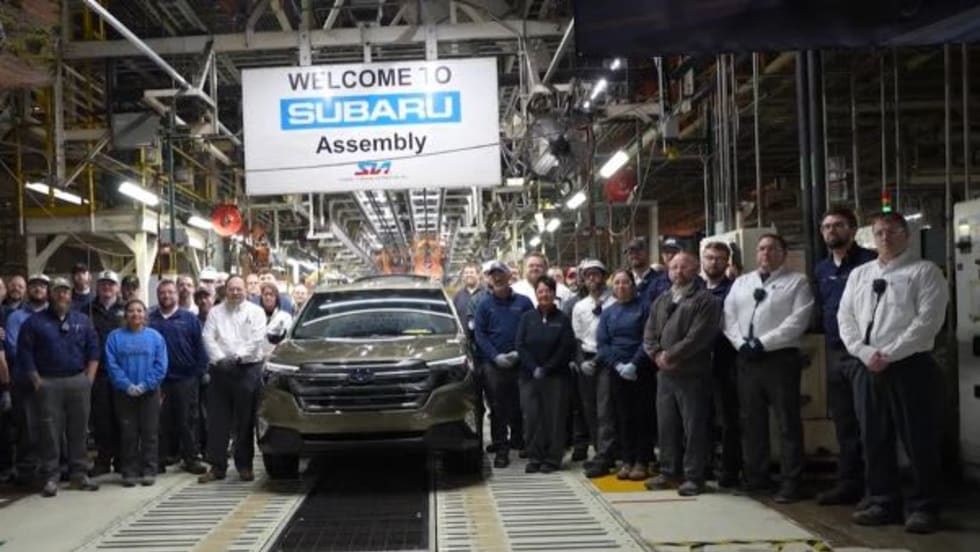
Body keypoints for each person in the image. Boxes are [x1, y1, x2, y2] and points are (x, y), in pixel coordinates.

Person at [838, 212, 948, 534]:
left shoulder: (925, 272)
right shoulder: (859, 274)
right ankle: (883, 501)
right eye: (879, 232)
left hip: (910, 366)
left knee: (917, 438)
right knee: (873, 437)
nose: (885, 237)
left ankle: (924, 507)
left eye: (892, 231)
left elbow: (928, 321)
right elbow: (846, 319)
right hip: (867, 366)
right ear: (871, 237)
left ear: (907, 235)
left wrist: (890, 353)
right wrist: (864, 352)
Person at [723, 234, 814, 503]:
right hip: (747, 360)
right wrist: (741, 344)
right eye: (762, 248)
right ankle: (756, 477)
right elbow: (728, 317)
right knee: (752, 422)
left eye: (773, 248)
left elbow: (798, 321)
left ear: (784, 253)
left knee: (787, 422)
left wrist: (763, 342)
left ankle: (791, 481)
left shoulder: (797, 282)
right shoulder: (741, 283)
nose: (766, 253)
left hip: (780, 359)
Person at [813, 206, 877, 506]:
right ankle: (848, 484)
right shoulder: (822, 269)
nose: (831, 231)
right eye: (826, 227)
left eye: (838, 226)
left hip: (864, 353)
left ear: (852, 230)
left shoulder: (871, 263)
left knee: (871, 423)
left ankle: (875, 489)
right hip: (835, 351)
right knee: (844, 423)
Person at [644, 252, 721, 495]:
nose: (678, 271)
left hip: (692, 374)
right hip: (665, 376)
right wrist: (656, 354)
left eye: (684, 266)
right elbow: (649, 332)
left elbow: (699, 336)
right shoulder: (662, 300)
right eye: (674, 266)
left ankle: (694, 476)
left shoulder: (705, 300)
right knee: (667, 425)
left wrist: (671, 355)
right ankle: (668, 471)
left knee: (694, 426)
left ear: (695, 268)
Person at [17, 277, 100, 497]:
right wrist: (37, 381)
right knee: (49, 432)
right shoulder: (33, 322)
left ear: (70, 295)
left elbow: (93, 351)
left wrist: (88, 380)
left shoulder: (83, 320)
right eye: (57, 291)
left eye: (65, 291)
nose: (62, 295)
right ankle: (51, 477)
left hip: (77, 381)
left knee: (79, 430)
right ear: (50, 294)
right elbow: (25, 354)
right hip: (48, 383)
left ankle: (79, 474)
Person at [200, 275, 267, 483]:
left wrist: (237, 357)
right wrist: (220, 359)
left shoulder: (256, 312)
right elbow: (207, 337)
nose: (235, 292)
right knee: (218, 420)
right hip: (220, 371)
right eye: (231, 289)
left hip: (247, 369)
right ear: (225, 291)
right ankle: (217, 466)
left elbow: (256, 339)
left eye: (239, 289)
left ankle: (244, 466)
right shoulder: (215, 312)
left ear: (245, 290)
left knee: (244, 422)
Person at [473, 260, 534, 468]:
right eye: (493, 275)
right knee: (498, 406)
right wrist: (495, 356)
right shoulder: (483, 304)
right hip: (494, 363)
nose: (497, 278)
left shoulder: (524, 303)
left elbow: (530, 329)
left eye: (500, 274)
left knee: (522, 403)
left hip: (521, 360)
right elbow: (480, 335)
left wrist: (520, 352)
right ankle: (501, 448)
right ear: (489, 279)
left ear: (509, 276)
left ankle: (521, 439)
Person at [597, 270, 653, 482]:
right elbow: (603, 342)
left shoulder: (645, 308)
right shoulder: (608, 313)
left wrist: (635, 363)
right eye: (617, 282)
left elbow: (648, 337)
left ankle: (641, 461)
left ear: (633, 285)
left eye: (626, 282)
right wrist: (617, 364)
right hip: (617, 370)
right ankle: (627, 460)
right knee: (622, 416)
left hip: (641, 370)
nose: (621, 286)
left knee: (642, 416)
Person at [515, 275, 575, 473]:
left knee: (555, 418)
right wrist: (533, 368)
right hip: (529, 376)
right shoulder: (527, 318)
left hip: (556, 376)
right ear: (536, 293)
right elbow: (520, 345)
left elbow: (566, 347)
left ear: (554, 293)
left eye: (548, 291)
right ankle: (535, 456)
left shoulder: (563, 319)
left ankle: (552, 458)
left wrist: (547, 368)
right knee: (532, 417)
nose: (544, 295)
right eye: (540, 291)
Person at [104, 299, 167, 487]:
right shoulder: (114, 337)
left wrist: (146, 385)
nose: (135, 314)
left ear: (145, 315)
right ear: (125, 315)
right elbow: (111, 364)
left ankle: (149, 470)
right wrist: (126, 385)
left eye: (139, 311)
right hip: (124, 394)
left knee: (150, 433)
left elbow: (161, 365)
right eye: (131, 311)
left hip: (149, 393)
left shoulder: (155, 337)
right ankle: (129, 471)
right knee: (128, 433)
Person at [150, 280, 209, 475]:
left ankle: (191, 458)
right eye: (162, 293)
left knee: (187, 421)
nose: (166, 296)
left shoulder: (189, 319)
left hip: (186, 379)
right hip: (160, 380)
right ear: (158, 295)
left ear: (176, 295)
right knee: (160, 421)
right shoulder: (151, 319)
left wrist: (199, 374)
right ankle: (159, 459)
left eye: (170, 292)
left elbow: (200, 347)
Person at [700, 241, 741, 487]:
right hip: (697, 365)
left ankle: (730, 469)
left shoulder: (735, 290)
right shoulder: (695, 290)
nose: (713, 262)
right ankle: (703, 465)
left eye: (719, 258)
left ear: (727, 262)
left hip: (726, 363)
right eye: (709, 257)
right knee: (700, 418)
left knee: (728, 419)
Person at [573, 260, 618, 477]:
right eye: (588, 275)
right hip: (587, 360)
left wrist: (600, 359)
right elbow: (577, 338)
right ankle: (599, 451)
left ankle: (607, 455)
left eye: (596, 274)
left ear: (604, 276)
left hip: (607, 360)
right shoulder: (579, 306)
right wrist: (581, 361)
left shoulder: (614, 303)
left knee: (605, 410)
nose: (593, 278)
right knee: (589, 409)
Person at [4, 274, 49, 484]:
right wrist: (35, 370)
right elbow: (14, 348)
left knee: (50, 426)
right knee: (26, 427)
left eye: (42, 286)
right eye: (35, 286)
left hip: (51, 382)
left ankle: (51, 468)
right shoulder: (16, 317)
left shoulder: (54, 315)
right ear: (29, 291)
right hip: (24, 381)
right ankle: (27, 471)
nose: (38, 289)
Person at [87, 270, 125, 476]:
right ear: (97, 287)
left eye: (111, 284)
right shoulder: (87, 310)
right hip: (99, 373)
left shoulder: (127, 310)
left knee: (122, 417)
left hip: (122, 373)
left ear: (117, 288)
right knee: (101, 419)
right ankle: (103, 460)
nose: (107, 288)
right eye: (103, 284)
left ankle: (122, 459)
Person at [259, 283, 293, 357]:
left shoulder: (285, 317)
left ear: (276, 298)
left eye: (271, 295)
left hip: (277, 356)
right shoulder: (255, 316)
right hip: (257, 357)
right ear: (261, 297)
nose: (268, 297)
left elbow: (287, 340)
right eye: (265, 294)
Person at [625, 238, 657, 307]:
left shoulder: (659, 279)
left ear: (648, 253)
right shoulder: (623, 279)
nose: (634, 255)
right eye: (630, 253)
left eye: (637, 252)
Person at [453, 264, 484, 329]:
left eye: (471, 272)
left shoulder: (487, 294)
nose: (468, 275)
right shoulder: (458, 295)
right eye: (466, 273)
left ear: (478, 275)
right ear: (463, 276)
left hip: (482, 337)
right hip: (464, 337)